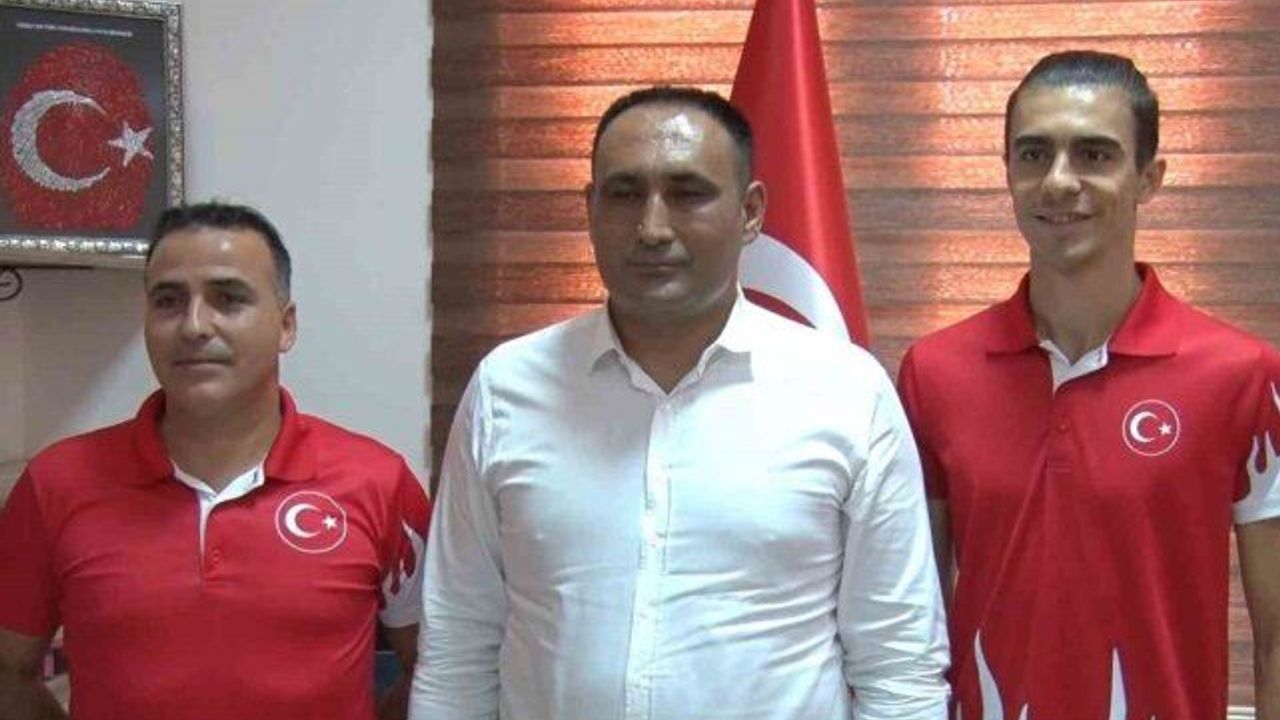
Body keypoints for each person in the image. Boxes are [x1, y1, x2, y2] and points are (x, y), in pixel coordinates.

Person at [410, 86, 949, 720]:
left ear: (751, 212)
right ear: (590, 209)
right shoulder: (507, 389)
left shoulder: (847, 394)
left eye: (688, 194)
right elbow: (458, 648)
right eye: (624, 194)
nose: (652, 229)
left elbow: (898, 665)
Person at [897, 50, 1280, 720]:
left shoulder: (1242, 375)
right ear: (1008, 172)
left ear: (1149, 178)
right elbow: (909, 626)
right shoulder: (934, 372)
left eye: (1094, 155)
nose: (1058, 180)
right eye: (1034, 154)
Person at [0, 202, 431, 720]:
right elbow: (9, 673)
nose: (194, 326)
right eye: (168, 301)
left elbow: (435, 671)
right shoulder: (56, 484)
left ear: (286, 325)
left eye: (228, 299)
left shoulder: (379, 483)